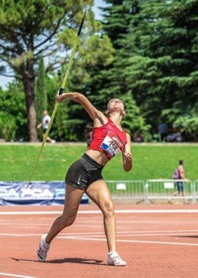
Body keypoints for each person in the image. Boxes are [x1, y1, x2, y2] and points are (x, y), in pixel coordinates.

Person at [37, 93, 132, 266]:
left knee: (109, 208)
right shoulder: (101, 119)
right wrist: (63, 97)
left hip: (96, 173)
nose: (117, 100)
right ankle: (46, 241)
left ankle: (112, 253)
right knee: (68, 218)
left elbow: (127, 168)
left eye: (120, 101)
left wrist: (128, 158)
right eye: (113, 101)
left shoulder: (126, 137)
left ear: (124, 112)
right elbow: (80, 97)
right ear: (108, 109)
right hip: (82, 167)